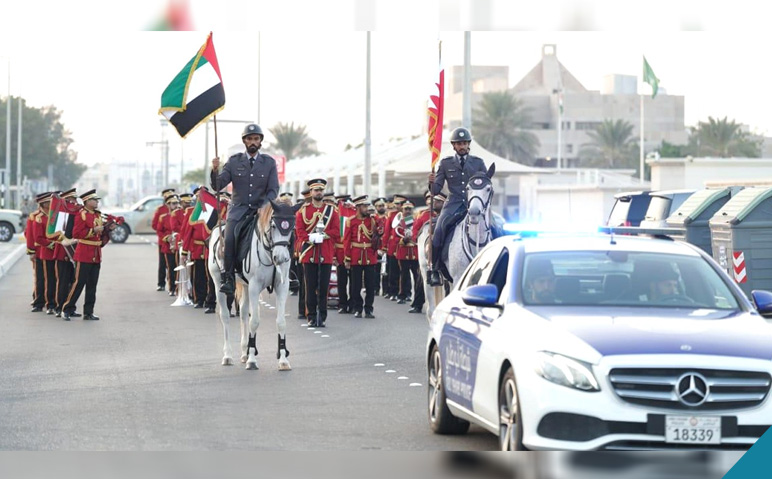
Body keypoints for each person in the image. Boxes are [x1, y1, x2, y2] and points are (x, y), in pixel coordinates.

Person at [210, 123, 280, 295]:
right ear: (244, 141)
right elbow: (218, 186)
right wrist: (214, 170)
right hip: (239, 210)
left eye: (256, 138)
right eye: (250, 139)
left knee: (281, 233)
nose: (253, 142)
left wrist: (265, 207)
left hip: (261, 210)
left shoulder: (269, 163)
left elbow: (273, 189)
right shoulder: (234, 162)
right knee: (230, 238)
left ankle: (286, 274)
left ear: (260, 141)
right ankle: (228, 277)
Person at [427, 127, 489, 286]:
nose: (462, 146)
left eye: (464, 143)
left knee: (496, 228)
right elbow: (435, 190)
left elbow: (485, 184)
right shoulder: (446, 163)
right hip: (453, 204)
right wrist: (432, 182)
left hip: (474, 203)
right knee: (439, 229)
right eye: (458, 143)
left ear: (469, 144)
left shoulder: (478, 163)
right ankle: (435, 269)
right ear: (453, 146)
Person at [62, 190, 117, 321]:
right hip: (84, 252)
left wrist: (108, 228)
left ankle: (88, 312)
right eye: (95, 200)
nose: (97, 202)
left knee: (92, 284)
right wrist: (93, 231)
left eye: (97, 200)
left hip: (96, 253)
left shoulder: (97, 215)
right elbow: (76, 233)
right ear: (87, 201)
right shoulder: (81, 214)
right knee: (79, 283)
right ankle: (67, 308)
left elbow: (101, 233)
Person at [295, 178, 341, 328]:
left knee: (323, 287)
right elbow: (300, 231)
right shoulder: (303, 211)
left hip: (326, 253)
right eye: (316, 190)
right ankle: (311, 316)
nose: (319, 192)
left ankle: (322, 315)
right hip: (309, 253)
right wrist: (310, 238)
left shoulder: (332, 211)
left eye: (321, 190)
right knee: (310, 286)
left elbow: (336, 231)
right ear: (311, 192)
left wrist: (324, 235)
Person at [344, 195, 379, 318]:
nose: (367, 208)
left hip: (370, 255)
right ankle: (358, 308)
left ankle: (369, 309)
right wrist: (347, 258)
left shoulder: (372, 220)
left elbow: (381, 230)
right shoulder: (351, 221)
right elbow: (347, 241)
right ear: (358, 207)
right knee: (355, 285)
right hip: (356, 255)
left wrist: (375, 216)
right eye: (364, 206)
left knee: (370, 285)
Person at [53, 188, 81, 317]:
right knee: (63, 281)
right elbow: (58, 234)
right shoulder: (61, 213)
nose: (75, 202)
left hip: (74, 250)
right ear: (67, 200)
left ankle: (70, 307)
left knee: (73, 280)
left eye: (75, 199)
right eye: (72, 199)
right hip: (63, 250)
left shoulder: (76, 211)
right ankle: (59, 307)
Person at [395, 201, 424, 312]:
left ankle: (415, 297)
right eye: (405, 209)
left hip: (415, 252)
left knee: (417, 277)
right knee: (404, 275)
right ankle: (402, 295)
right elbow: (395, 237)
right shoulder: (399, 222)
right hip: (404, 251)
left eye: (409, 209)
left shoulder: (416, 220)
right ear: (402, 210)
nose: (407, 211)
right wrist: (403, 239)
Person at [152, 188, 176, 291]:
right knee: (163, 263)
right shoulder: (160, 210)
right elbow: (155, 225)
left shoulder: (178, 211)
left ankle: (174, 285)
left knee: (174, 264)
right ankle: (161, 283)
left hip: (176, 241)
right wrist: (165, 237)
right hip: (164, 241)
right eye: (167, 197)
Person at [294, 188, 311, 319]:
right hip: (303, 249)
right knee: (304, 283)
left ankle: (309, 308)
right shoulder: (301, 212)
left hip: (311, 248)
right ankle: (302, 309)